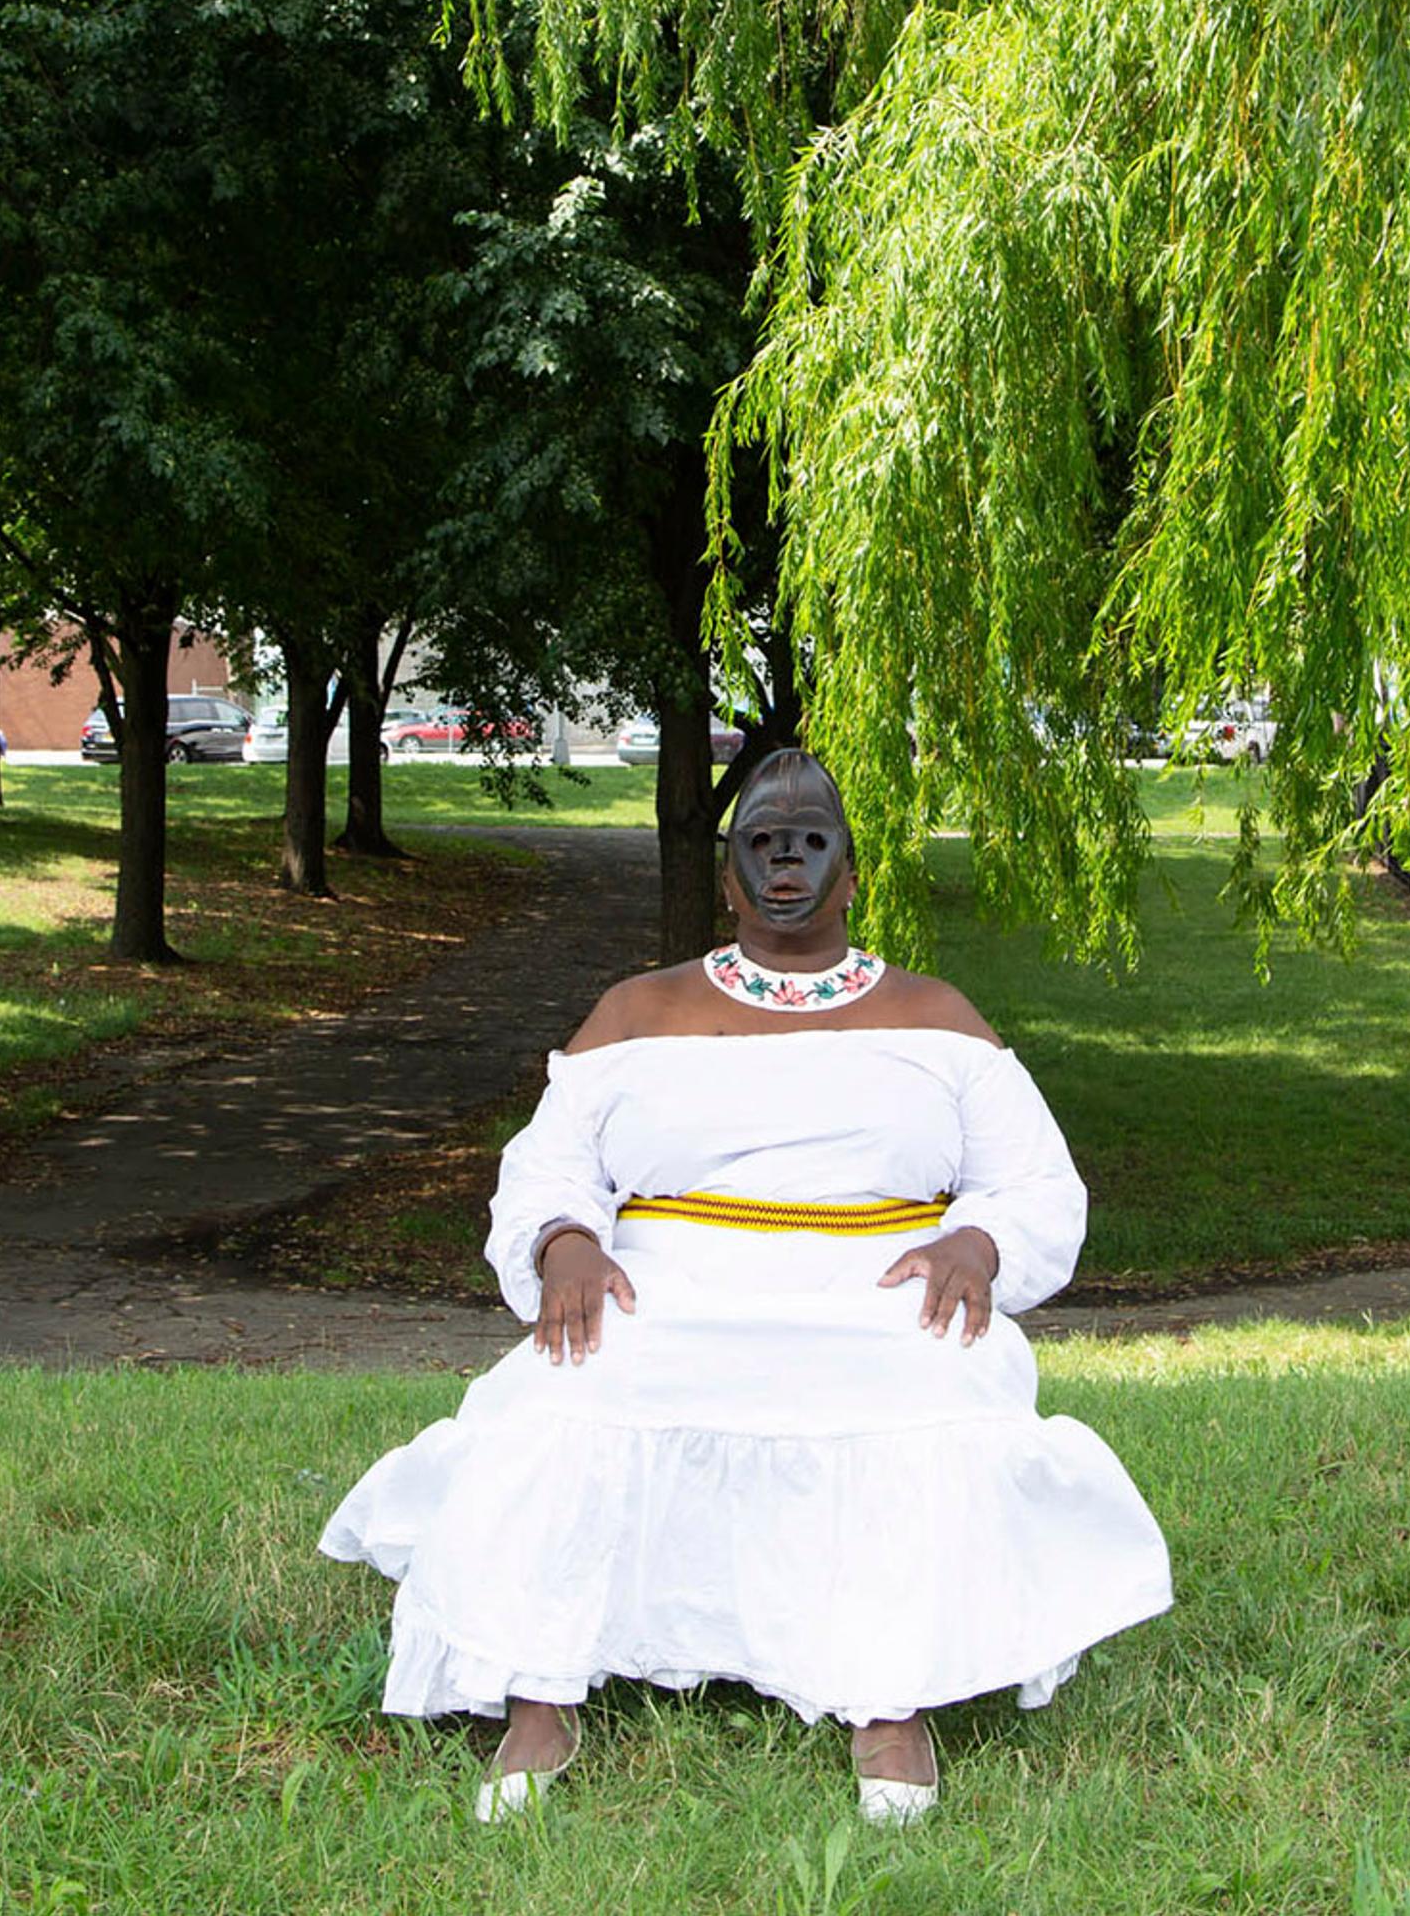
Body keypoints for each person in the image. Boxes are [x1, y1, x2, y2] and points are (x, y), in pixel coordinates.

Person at [317, 749, 1173, 1825]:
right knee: (571, 1393)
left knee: (928, 1391)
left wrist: (982, 1244)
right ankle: (542, 1692)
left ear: (852, 877)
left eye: (810, 843)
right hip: (667, 1290)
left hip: (876, 1294)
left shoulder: (940, 1016)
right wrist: (567, 1241)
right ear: (727, 880)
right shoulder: (636, 1011)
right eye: (760, 845)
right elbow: (547, 1166)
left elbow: (1034, 1179)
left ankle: (890, 1700)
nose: (784, 861)